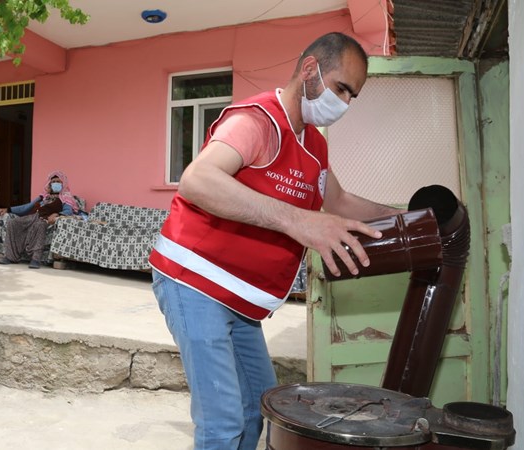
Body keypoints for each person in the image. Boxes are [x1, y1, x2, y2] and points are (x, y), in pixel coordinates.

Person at [148, 32, 402, 450]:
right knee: (224, 422)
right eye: (341, 88)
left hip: (241, 301)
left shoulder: (315, 145)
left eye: (352, 96)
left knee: (258, 409)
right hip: (195, 283)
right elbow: (197, 180)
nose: (345, 103)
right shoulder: (256, 121)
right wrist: (297, 221)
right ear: (309, 70)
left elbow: (337, 201)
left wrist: (407, 218)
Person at [0, 170, 83, 269]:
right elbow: (28, 206)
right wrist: (9, 209)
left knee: (40, 225)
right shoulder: (43, 196)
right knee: (13, 223)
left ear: (63, 184)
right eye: (54, 181)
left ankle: (35, 259)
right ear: (50, 183)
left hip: (46, 219)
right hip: (34, 216)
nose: (56, 184)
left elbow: (68, 211)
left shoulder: (66, 198)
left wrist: (57, 214)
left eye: (59, 182)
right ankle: (10, 257)